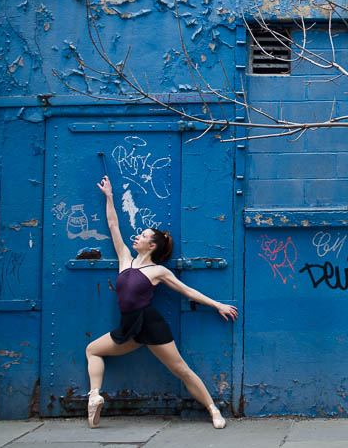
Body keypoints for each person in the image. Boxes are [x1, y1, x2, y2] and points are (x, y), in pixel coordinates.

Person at [85, 175, 238, 429]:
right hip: (128, 328)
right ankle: (94, 396)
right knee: (93, 349)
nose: (137, 237)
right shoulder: (125, 259)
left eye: (143, 235)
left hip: (151, 325)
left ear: (152, 245)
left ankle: (213, 410)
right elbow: (114, 226)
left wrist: (218, 305)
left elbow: (188, 291)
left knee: (181, 370)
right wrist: (109, 196)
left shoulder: (158, 272)